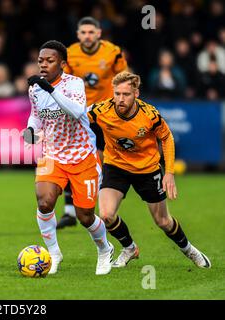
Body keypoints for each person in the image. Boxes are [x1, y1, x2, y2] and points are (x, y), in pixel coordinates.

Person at [87, 71, 211, 269]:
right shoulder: (102, 110)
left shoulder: (149, 114)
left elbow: (167, 138)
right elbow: (77, 118)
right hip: (115, 165)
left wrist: (169, 173)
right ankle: (129, 248)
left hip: (147, 169)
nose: (120, 99)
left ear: (136, 93)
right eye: (117, 93)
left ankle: (189, 249)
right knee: (107, 215)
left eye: (125, 94)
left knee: (163, 221)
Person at [23, 40, 114, 275]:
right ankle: (53, 253)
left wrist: (49, 88)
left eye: (49, 60)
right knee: (44, 202)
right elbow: (36, 116)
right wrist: (31, 131)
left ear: (62, 63)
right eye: (41, 60)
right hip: (52, 155)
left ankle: (105, 249)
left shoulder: (74, 84)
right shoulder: (35, 88)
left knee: (85, 216)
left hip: (82, 156)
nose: (43, 64)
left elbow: (76, 112)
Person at [57, 16, 128, 229]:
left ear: (98, 33)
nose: (87, 36)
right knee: (72, 158)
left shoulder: (113, 52)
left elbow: (125, 78)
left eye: (91, 32)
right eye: (83, 33)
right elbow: (63, 83)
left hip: (106, 113)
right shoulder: (70, 54)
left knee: (107, 159)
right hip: (79, 114)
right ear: (78, 35)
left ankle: (106, 205)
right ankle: (70, 211)